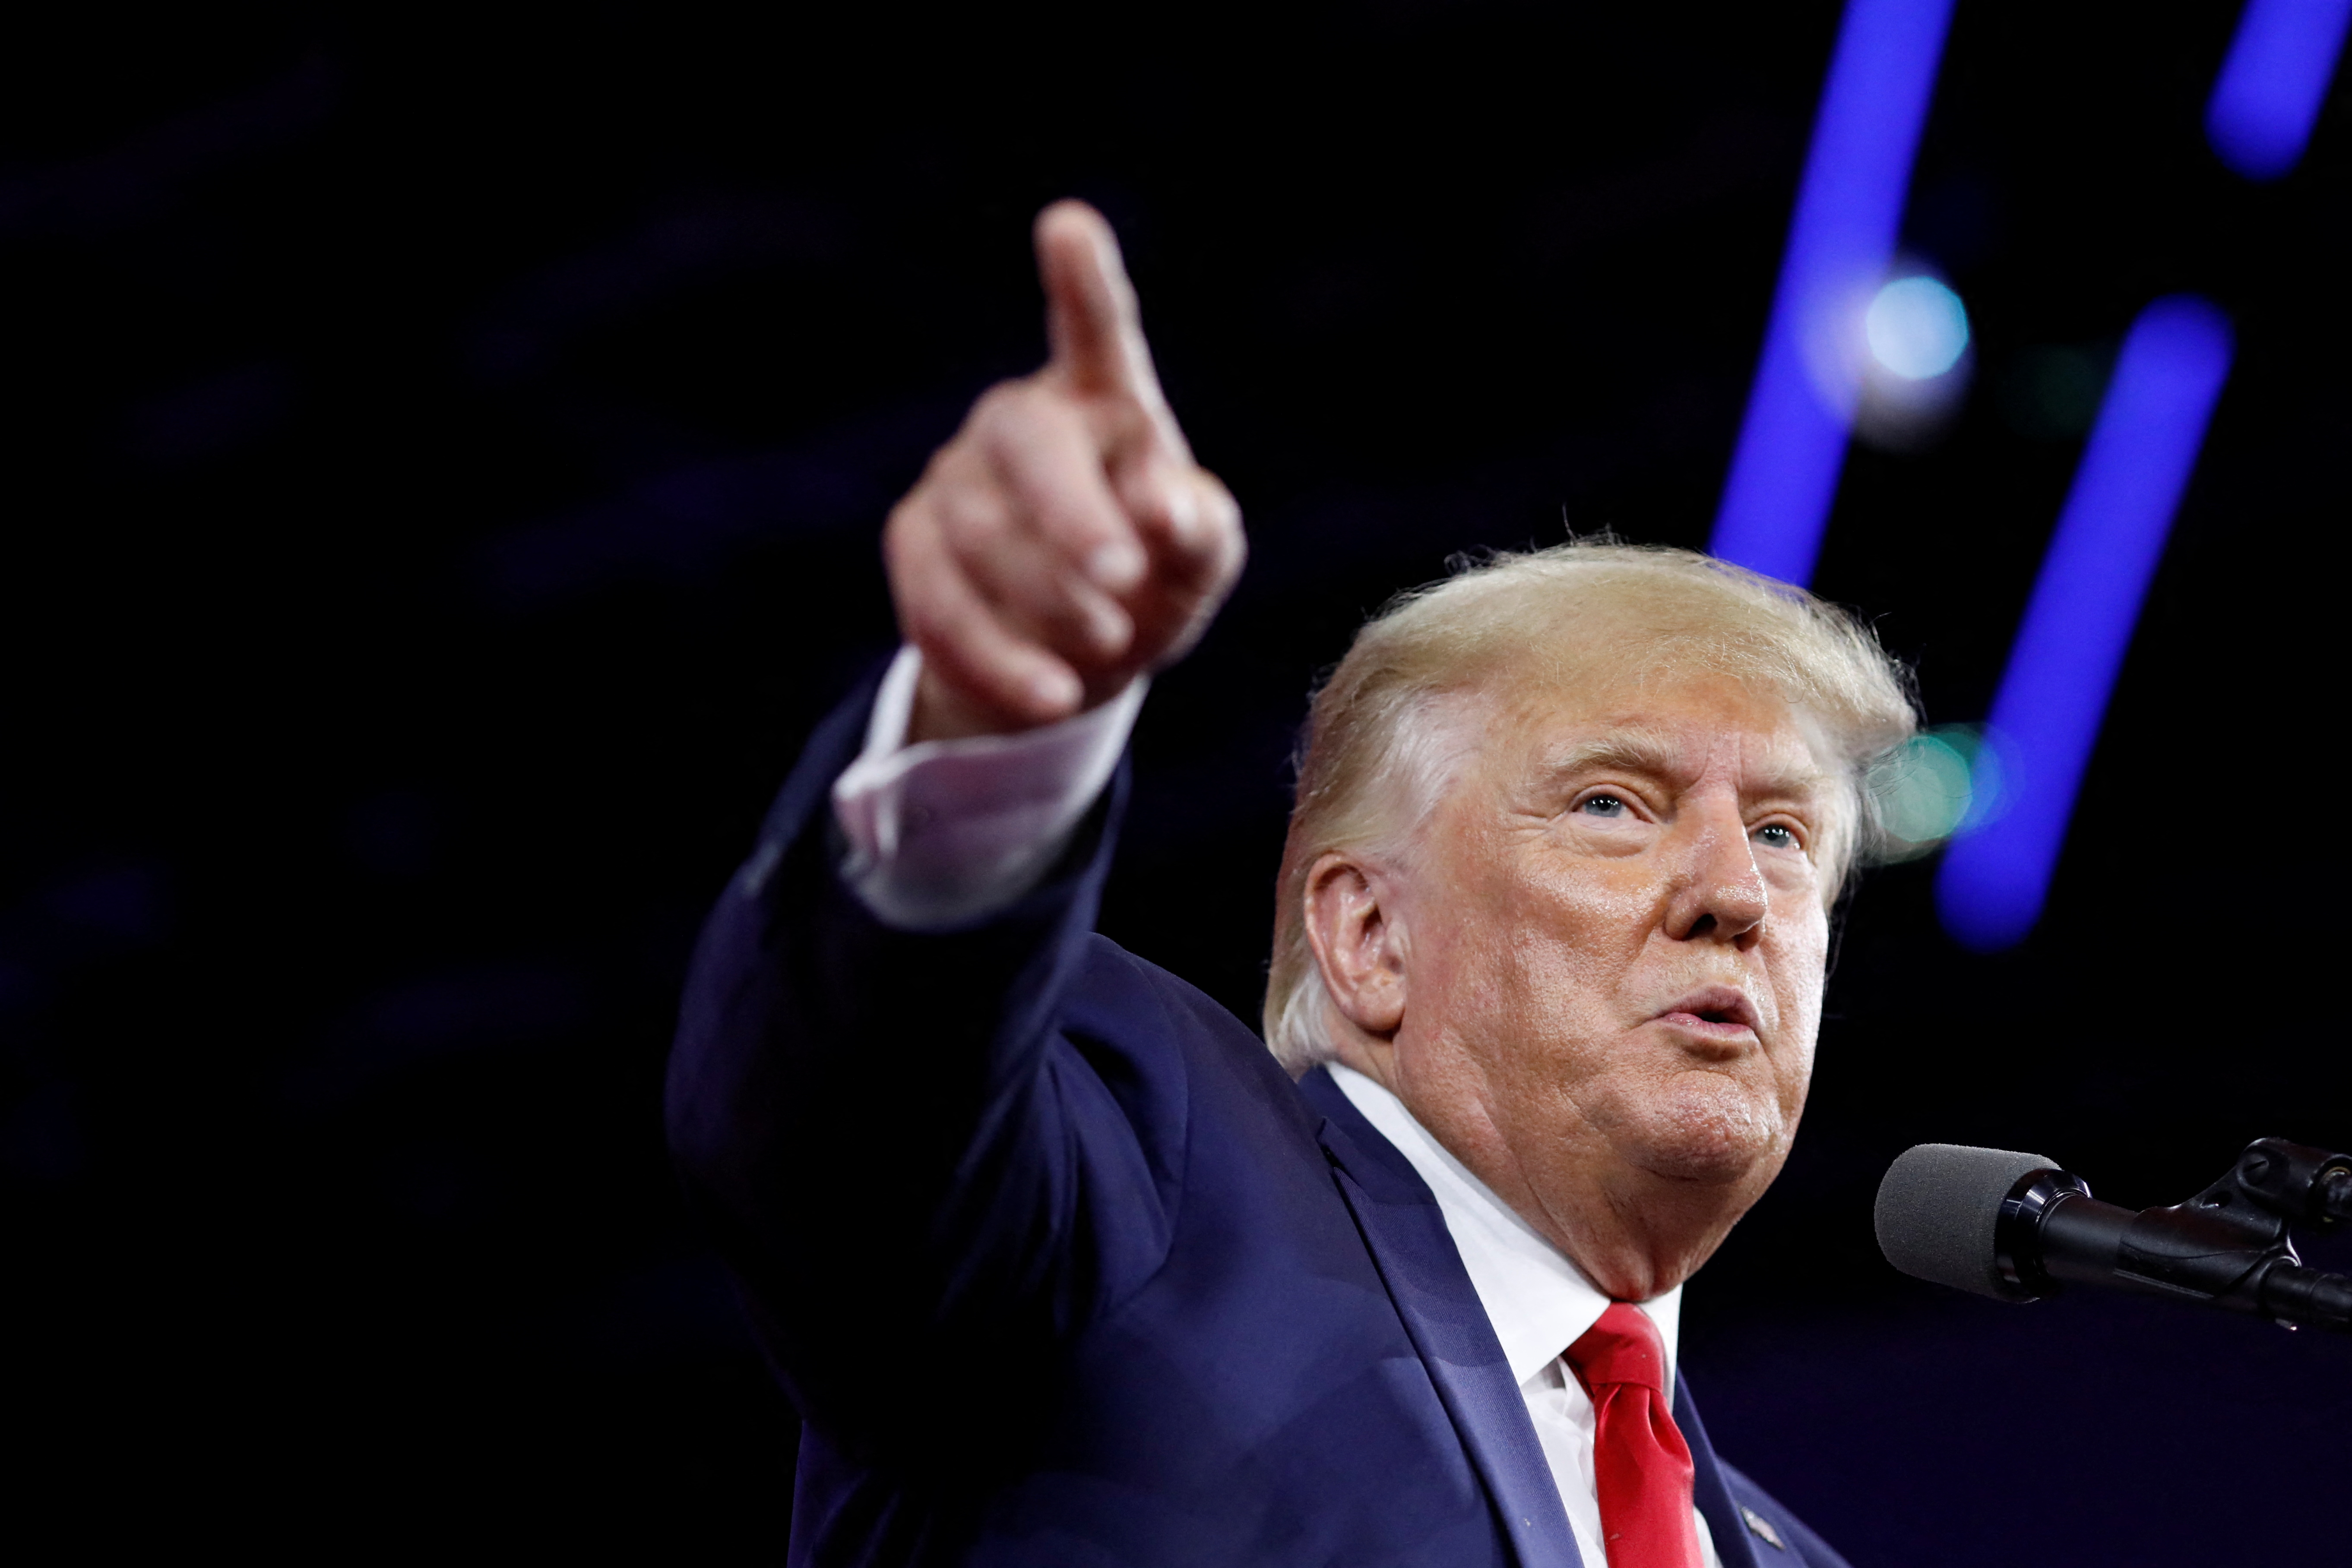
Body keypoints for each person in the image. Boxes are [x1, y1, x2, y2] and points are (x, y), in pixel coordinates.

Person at [667, 200, 1913, 1567]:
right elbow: (852, 1107)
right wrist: (992, 726)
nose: (1736, 892)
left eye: (1789, 835)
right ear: (1368, 935)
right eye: (1613, 804)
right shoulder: (1146, 1184)